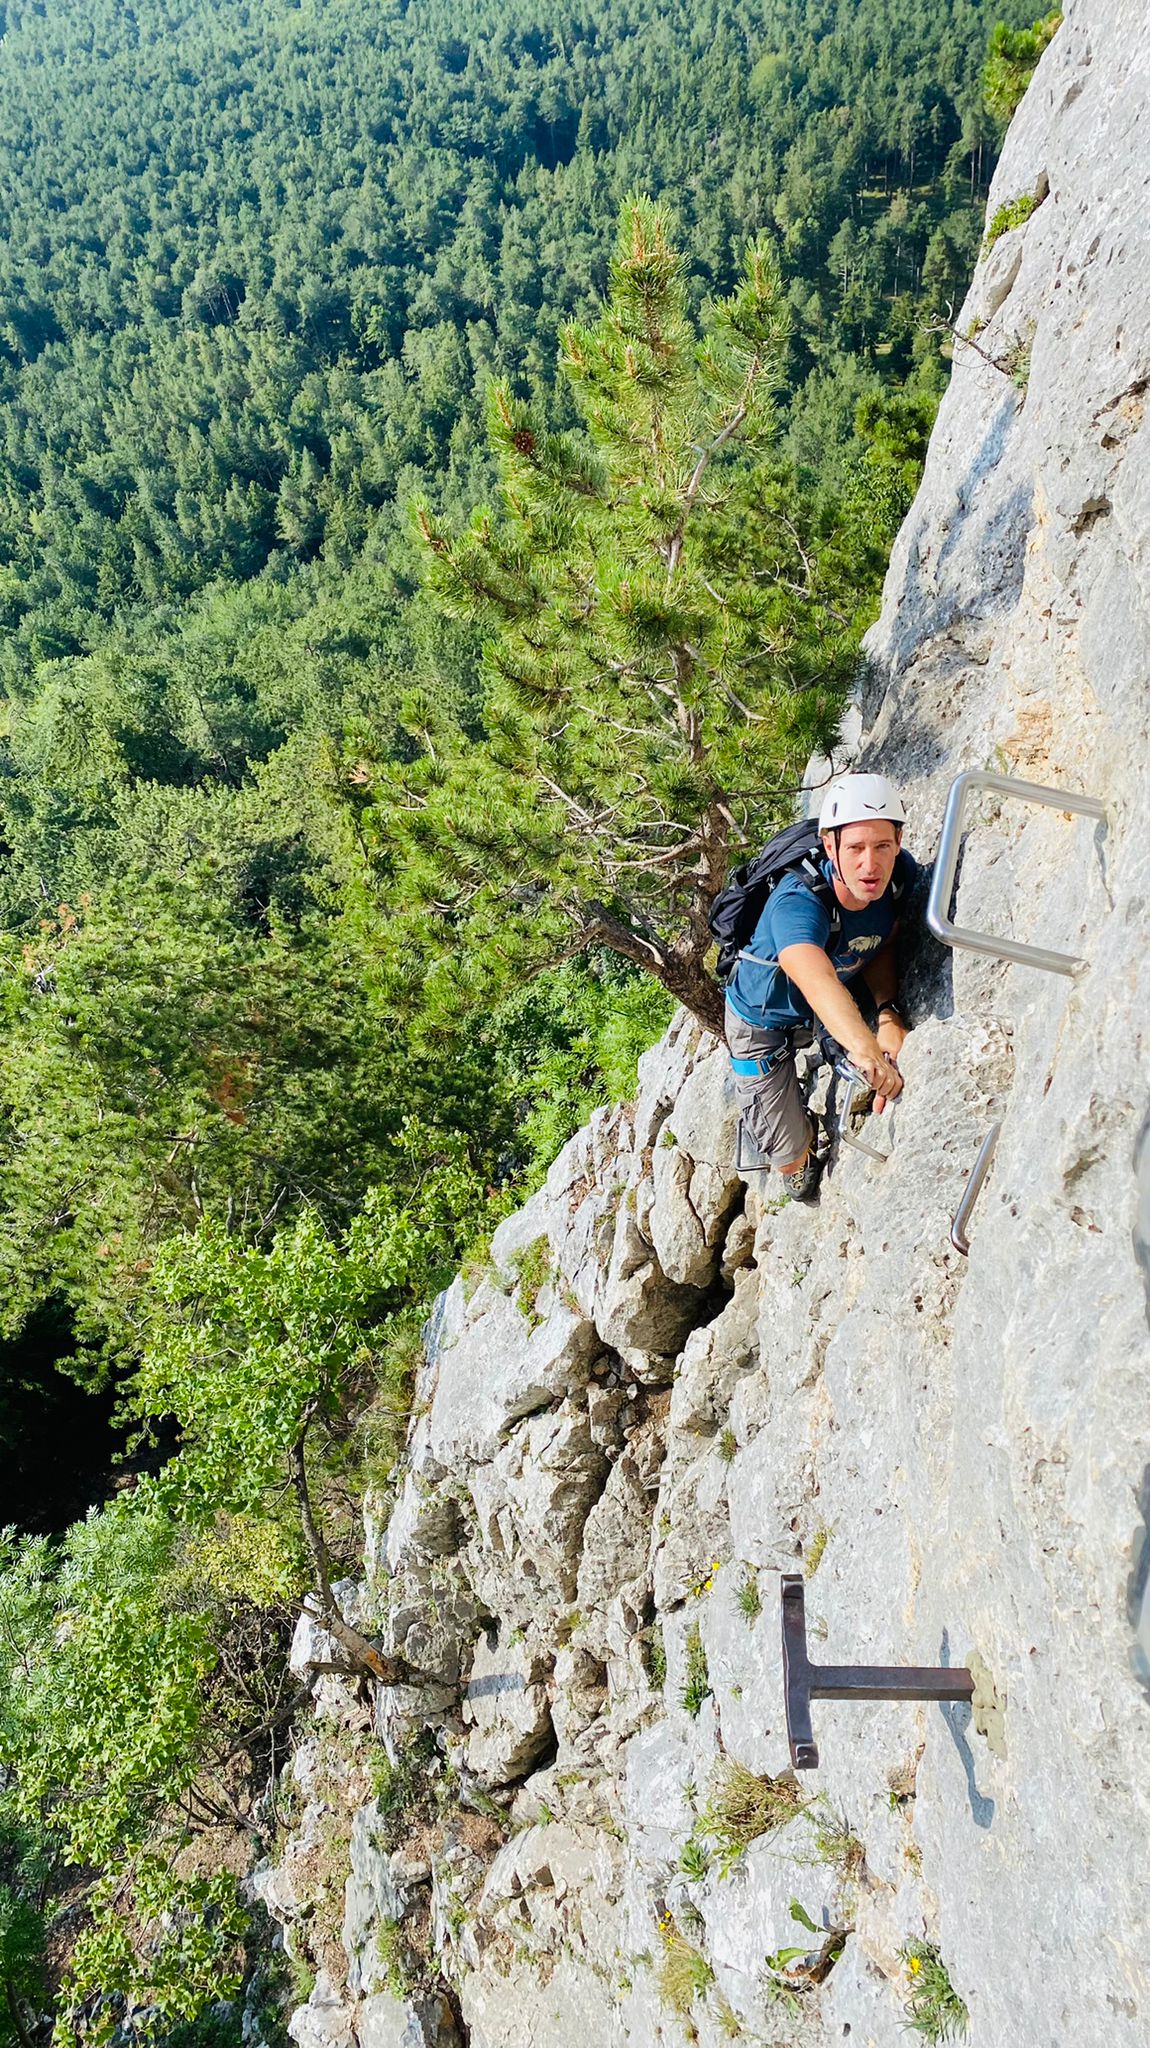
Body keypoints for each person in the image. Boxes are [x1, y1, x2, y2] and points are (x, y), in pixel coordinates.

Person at [724, 773, 916, 1202]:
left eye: (882, 846)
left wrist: (888, 1013)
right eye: (856, 848)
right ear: (830, 847)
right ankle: (798, 1141)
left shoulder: (897, 879)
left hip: (831, 997)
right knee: (791, 1162)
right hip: (760, 1022)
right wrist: (866, 1050)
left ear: (899, 841)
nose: (870, 865)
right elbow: (813, 976)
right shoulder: (797, 903)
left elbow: (880, 943)